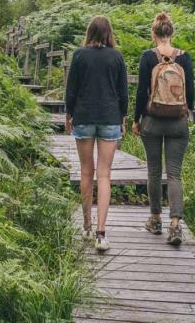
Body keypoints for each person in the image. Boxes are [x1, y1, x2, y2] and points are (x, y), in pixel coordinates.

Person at [65, 15, 128, 252]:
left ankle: (87, 226)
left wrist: (68, 114)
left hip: (83, 116)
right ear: (109, 33)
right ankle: (102, 233)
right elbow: (123, 92)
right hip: (110, 117)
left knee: (85, 172)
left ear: (89, 33)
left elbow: (71, 89)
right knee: (104, 175)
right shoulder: (117, 57)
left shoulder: (80, 55)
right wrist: (123, 117)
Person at [132, 11, 194, 246]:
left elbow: (140, 93)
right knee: (175, 173)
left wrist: (136, 119)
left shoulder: (148, 57)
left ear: (154, 33)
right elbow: (191, 94)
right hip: (178, 123)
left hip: (153, 121)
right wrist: (187, 112)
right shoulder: (184, 58)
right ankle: (176, 225)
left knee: (154, 172)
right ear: (171, 33)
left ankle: (155, 219)